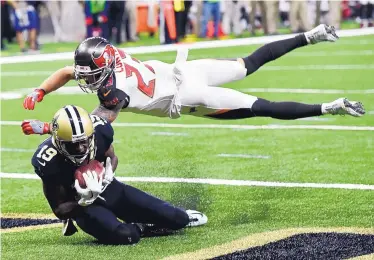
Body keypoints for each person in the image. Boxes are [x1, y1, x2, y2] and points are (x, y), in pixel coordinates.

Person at [22, 24, 365, 136]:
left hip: (190, 95)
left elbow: (87, 126)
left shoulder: (115, 92)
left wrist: (44, 128)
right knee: (250, 63)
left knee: (262, 107)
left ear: (104, 66)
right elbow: (69, 72)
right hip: (187, 69)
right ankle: (311, 35)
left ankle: (330, 107)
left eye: (91, 73)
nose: (85, 77)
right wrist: (41, 89)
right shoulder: (114, 57)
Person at [27, 105, 207, 244]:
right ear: (58, 142)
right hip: (83, 207)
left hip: (109, 188)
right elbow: (59, 209)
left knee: (179, 219)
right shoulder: (47, 159)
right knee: (128, 235)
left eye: (84, 141)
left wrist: (108, 173)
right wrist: (83, 202)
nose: (81, 148)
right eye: (72, 145)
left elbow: (112, 157)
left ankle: (149, 221)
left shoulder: (100, 132)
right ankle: (141, 226)